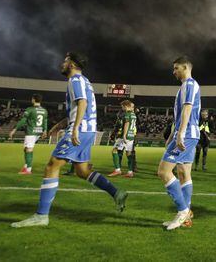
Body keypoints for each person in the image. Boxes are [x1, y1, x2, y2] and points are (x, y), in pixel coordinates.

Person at [11, 52, 128, 228]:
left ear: (72, 64)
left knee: (52, 166)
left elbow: (83, 104)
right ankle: (116, 192)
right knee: (81, 171)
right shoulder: (85, 81)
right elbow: (77, 108)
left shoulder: (75, 80)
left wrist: (74, 129)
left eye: (66, 60)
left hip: (80, 130)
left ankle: (41, 215)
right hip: (87, 130)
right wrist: (58, 126)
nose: (63, 63)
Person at [157, 56, 201, 230]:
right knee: (183, 172)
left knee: (163, 171)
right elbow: (181, 113)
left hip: (187, 134)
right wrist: (173, 135)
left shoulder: (189, 84)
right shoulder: (184, 86)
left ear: (185, 67)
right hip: (187, 134)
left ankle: (183, 211)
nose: (173, 71)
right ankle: (186, 216)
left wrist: (181, 133)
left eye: (176, 68)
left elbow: (188, 109)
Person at [9, 94, 48, 175]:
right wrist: (45, 131)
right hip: (38, 132)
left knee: (29, 149)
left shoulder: (30, 109)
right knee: (26, 148)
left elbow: (23, 120)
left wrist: (14, 129)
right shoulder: (44, 111)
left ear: (33, 100)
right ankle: (26, 166)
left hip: (31, 132)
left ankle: (28, 170)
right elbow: (45, 121)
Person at [109, 100, 137, 178]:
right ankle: (130, 172)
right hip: (131, 136)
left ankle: (117, 170)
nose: (122, 108)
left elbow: (127, 124)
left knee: (114, 150)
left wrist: (124, 135)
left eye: (123, 107)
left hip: (124, 136)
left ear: (125, 106)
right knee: (129, 153)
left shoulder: (127, 114)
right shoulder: (133, 114)